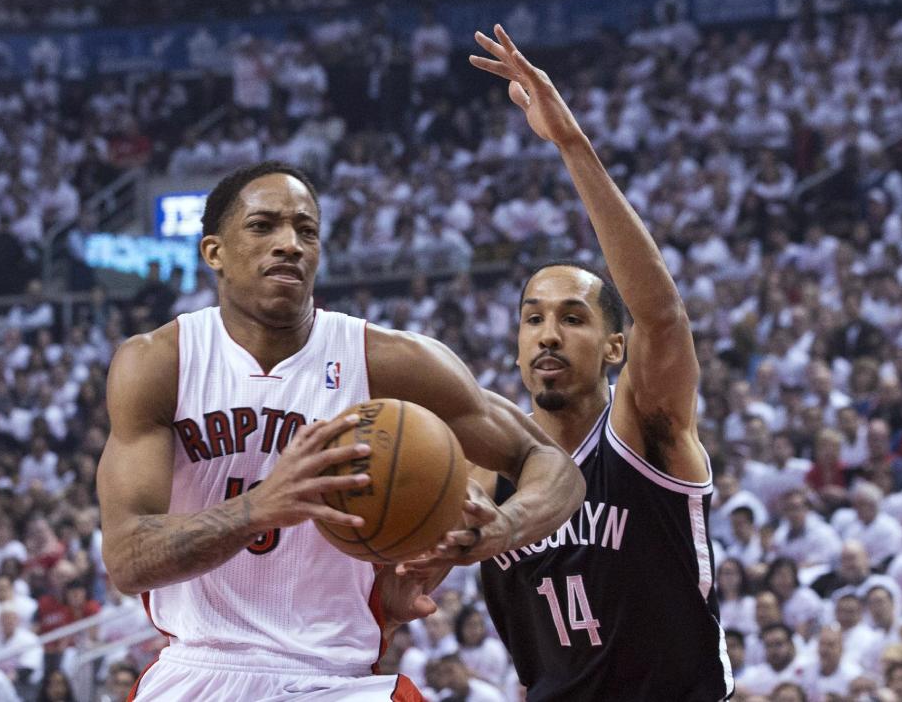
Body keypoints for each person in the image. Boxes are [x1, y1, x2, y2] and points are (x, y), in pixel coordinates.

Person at [97, 159, 584, 700]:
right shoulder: (160, 363)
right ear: (215, 252)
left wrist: (504, 528)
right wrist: (259, 509)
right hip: (199, 666)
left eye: (306, 230)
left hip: (337, 677)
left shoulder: (389, 361)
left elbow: (553, 465)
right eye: (263, 227)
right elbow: (126, 558)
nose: (289, 244)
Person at [462, 24, 733, 700]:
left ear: (615, 346)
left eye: (573, 318)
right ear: (517, 344)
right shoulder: (487, 466)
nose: (548, 334)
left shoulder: (646, 431)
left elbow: (664, 318)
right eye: (533, 319)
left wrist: (571, 146)